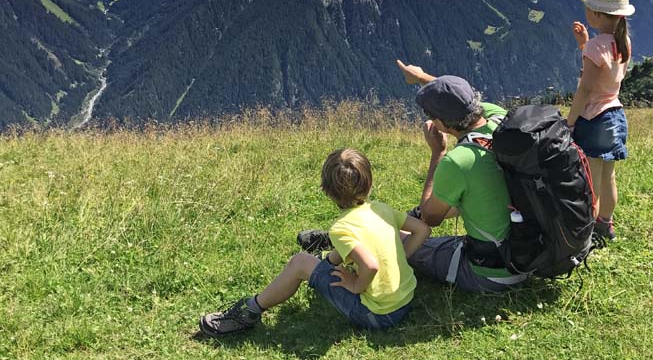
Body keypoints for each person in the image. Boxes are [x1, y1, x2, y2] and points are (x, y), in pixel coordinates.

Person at [199, 148, 431, 336]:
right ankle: (319, 263)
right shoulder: (381, 209)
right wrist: (401, 257)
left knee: (301, 262)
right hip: (405, 299)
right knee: (330, 260)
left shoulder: (341, 228)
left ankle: (249, 312)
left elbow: (370, 265)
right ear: (369, 182)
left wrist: (355, 286)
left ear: (327, 191)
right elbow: (422, 229)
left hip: (378, 315)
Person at [395, 62, 527, 292]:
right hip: (531, 253)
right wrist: (421, 77)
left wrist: (438, 153)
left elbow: (429, 216)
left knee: (400, 239)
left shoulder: (458, 161)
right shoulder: (501, 118)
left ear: (439, 123)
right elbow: (457, 99)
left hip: (493, 273)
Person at [566, 0, 634, 241]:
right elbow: (603, 74)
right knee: (608, 178)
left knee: (590, 180)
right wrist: (584, 44)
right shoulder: (622, 41)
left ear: (595, 13)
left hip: (594, 120)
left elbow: (586, 89)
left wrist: (570, 121)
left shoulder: (596, 47)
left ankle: (586, 229)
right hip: (615, 116)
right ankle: (605, 224)